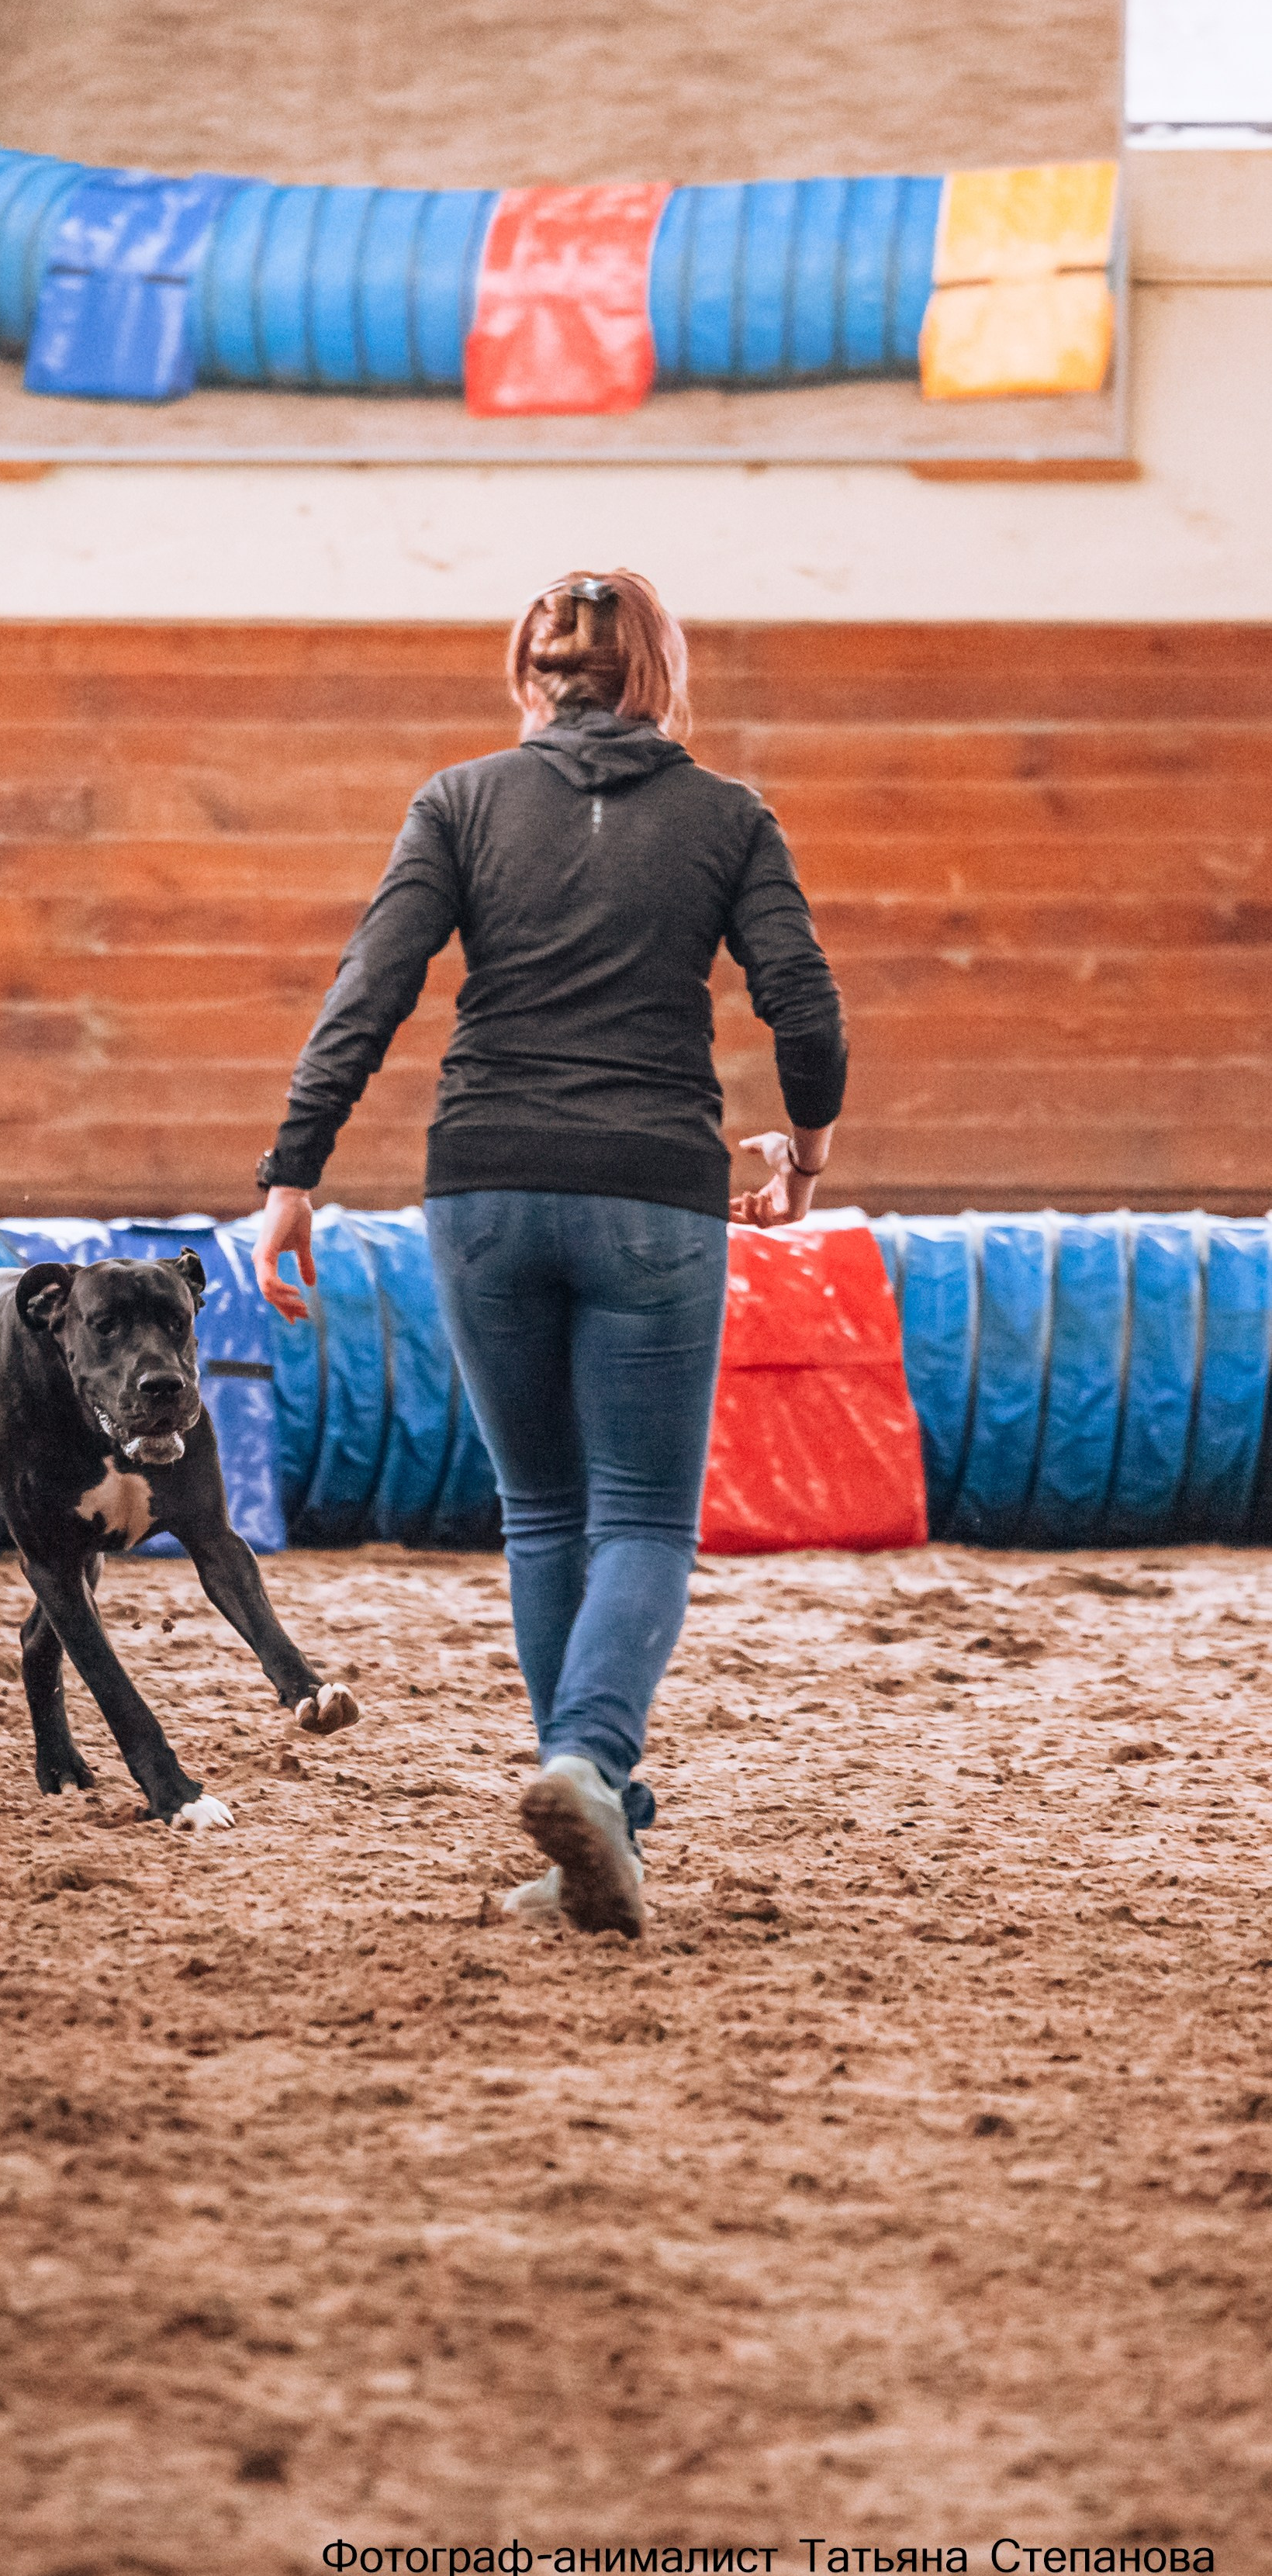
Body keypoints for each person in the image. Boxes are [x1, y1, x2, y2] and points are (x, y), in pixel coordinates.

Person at [250, 569, 846, 1939]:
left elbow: (371, 988)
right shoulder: (728, 817)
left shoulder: (457, 803)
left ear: (531, 675)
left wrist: (293, 1173)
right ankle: (587, 1764)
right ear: (656, 674)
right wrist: (802, 1155)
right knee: (640, 1513)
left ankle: (602, 1832)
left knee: (540, 1512)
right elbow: (803, 1009)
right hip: (653, 1192)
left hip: (485, 1187)